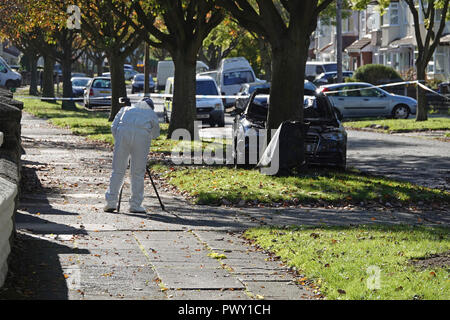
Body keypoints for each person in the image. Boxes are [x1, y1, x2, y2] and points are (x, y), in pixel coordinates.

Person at [104, 98, 160, 213]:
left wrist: (120, 141)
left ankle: (111, 202)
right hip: (141, 138)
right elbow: (155, 134)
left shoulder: (125, 109)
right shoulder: (151, 114)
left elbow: (114, 127)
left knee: (118, 170)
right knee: (137, 173)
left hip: (122, 136)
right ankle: (135, 204)